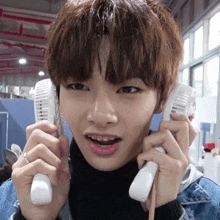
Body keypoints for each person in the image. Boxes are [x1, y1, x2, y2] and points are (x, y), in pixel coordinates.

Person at [1, 0, 220, 219]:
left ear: (164, 99)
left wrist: (165, 211)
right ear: (54, 96)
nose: (101, 116)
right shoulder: (10, 199)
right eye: (78, 86)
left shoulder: (210, 207)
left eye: (129, 89)